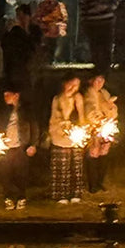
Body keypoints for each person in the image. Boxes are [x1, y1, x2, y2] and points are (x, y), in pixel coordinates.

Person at [48, 75, 87, 203]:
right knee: (61, 167)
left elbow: (82, 117)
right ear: (65, 84)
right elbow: (54, 118)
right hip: (60, 138)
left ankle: (75, 193)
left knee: (76, 167)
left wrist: (81, 131)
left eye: (76, 85)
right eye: (71, 84)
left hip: (75, 138)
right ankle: (61, 194)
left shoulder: (78, 98)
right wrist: (62, 126)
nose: (73, 88)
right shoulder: (57, 99)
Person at [78, 0, 120, 75]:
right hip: (92, 23)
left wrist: (104, 6)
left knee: (105, 47)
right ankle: (98, 69)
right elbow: (82, 7)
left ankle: (105, 70)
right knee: (95, 48)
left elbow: (116, 2)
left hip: (105, 21)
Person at [0, 88, 38, 210]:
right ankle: (8, 198)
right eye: (4, 95)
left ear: (16, 95)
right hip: (6, 148)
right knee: (6, 174)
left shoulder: (26, 110)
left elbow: (35, 127)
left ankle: (21, 197)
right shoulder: (3, 111)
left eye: (8, 95)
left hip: (21, 146)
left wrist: (33, 144)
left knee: (21, 174)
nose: (5, 98)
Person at [84, 75, 117, 194]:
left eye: (102, 80)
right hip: (93, 128)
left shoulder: (105, 93)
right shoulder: (88, 94)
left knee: (104, 154)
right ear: (91, 80)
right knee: (93, 154)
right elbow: (89, 110)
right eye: (97, 80)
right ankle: (93, 185)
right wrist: (98, 120)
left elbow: (113, 110)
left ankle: (100, 182)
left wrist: (110, 111)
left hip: (106, 129)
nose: (99, 83)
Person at [1, 4, 42, 93]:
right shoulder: (14, 31)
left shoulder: (35, 30)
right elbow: (7, 45)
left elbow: (35, 46)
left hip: (29, 65)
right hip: (16, 65)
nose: (20, 18)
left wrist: (26, 29)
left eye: (22, 15)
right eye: (18, 16)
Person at [33, 0, 67, 65]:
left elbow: (60, 17)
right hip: (48, 31)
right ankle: (48, 60)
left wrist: (44, 20)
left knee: (52, 46)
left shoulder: (57, 5)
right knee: (49, 46)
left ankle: (51, 60)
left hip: (53, 30)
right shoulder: (44, 5)